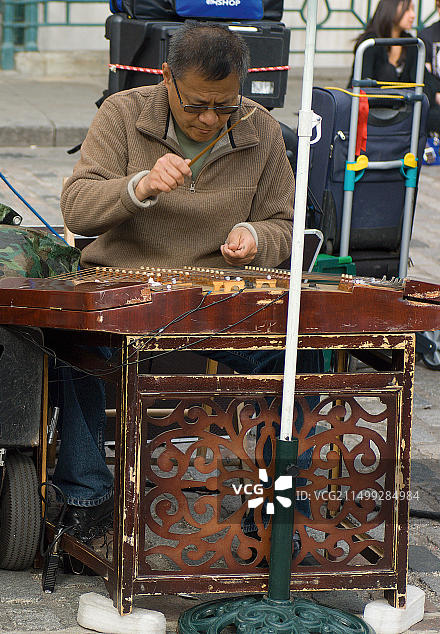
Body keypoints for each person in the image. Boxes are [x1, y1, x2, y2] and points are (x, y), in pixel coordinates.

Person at [55, 22, 298, 548]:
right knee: (70, 346)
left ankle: (276, 506)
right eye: (196, 106)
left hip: (219, 295)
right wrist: (137, 186)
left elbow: (284, 223)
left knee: (296, 357)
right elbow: (76, 208)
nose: (211, 118)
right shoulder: (122, 114)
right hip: (125, 286)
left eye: (225, 106)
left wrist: (256, 235)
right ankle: (86, 498)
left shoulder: (261, 130)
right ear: (166, 78)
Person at [350, 0, 419, 86]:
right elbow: (362, 83)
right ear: (390, 9)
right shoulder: (370, 42)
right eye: (407, 9)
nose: (413, 15)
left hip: (403, 98)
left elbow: (423, 79)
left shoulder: (411, 42)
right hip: (372, 97)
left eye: (413, 9)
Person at [419, 0, 440, 134]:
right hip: (435, 99)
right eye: (439, 6)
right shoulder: (426, 35)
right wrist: (436, 95)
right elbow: (425, 78)